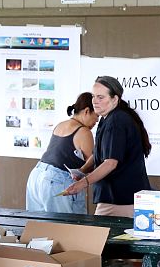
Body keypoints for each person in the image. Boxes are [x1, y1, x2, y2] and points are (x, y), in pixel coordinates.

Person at [63, 76, 151, 217]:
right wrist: (82, 171)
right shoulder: (107, 119)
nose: (94, 101)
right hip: (116, 198)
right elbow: (100, 154)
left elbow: (110, 163)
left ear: (115, 99)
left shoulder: (116, 121)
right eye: (93, 96)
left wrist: (83, 184)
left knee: (100, 238)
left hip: (121, 199)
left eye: (100, 97)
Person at [25, 92, 97, 214]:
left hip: (36, 176)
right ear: (86, 111)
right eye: (96, 117)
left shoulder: (61, 125)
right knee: (64, 229)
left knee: (37, 227)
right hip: (56, 181)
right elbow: (92, 163)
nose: (96, 122)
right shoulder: (84, 131)